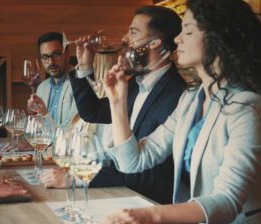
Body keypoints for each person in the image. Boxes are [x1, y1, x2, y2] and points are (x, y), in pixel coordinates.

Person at [100, 0, 261, 224]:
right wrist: (117, 101)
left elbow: (228, 200)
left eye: (188, 31)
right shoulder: (190, 101)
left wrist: (151, 214)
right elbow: (133, 162)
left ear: (218, 39)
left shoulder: (248, 108)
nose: (177, 39)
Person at [41, 6, 186, 204]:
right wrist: (84, 66)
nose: (125, 38)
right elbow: (92, 113)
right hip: (121, 195)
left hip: (146, 204)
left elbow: (149, 172)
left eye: (133, 32)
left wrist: (78, 177)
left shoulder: (176, 94)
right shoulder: (135, 83)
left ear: (155, 42)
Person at [27, 32, 78, 129]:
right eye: (45, 57)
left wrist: (45, 114)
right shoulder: (42, 87)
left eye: (56, 54)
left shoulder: (80, 84)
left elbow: (72, 130)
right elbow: (40, 129)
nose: (51, 62)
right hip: (45, 144)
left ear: (67, 54)